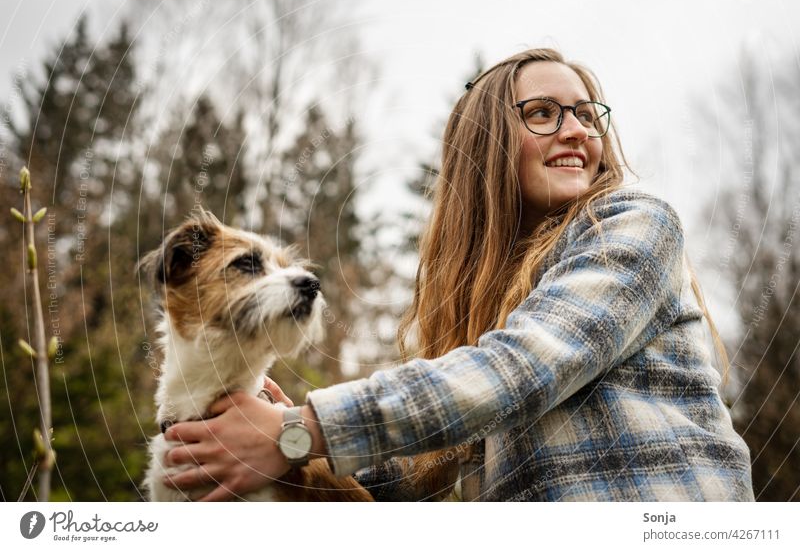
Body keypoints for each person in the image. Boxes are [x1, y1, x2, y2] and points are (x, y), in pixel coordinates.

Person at [162, 48, 754, 502]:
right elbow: (422, 459)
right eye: (543, 114)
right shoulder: (495, 302)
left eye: (586, 113)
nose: (577, 130)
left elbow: (518, 369)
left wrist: (299, 429)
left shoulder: (633, 223)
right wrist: (288, 447)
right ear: (488, 143)